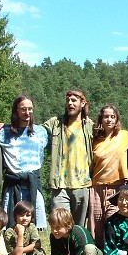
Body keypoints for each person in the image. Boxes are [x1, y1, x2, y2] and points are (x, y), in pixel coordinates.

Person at [0, 94, 49, 229]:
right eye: (23, 109)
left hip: (33, 184)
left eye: (30, 109)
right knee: (9, 226)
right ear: (16, 110)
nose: (27, 112)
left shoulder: (41, 132)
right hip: (13, 184)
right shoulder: (4, 132)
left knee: (34, 228)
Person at [43, 89, 93, 226]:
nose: (70, 103)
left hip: (83, 185)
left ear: (83, 103)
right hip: (60, 186)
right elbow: (33, 131)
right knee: (60, 225)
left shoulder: (90, 126)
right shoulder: (55, 123)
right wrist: (6, 127)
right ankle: (60, 249)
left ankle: (77, 248)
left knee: (78, 228)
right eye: (68, 101)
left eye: (74, 100)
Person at [88, 105, 128, 248]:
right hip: (96, 188)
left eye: (112, 116)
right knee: (96, 226)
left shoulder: (125, 136)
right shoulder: (94, 140)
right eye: (106, 116)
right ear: (101, 119)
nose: (109, 119)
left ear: (117, 119)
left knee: (113, 223)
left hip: (117, 187)